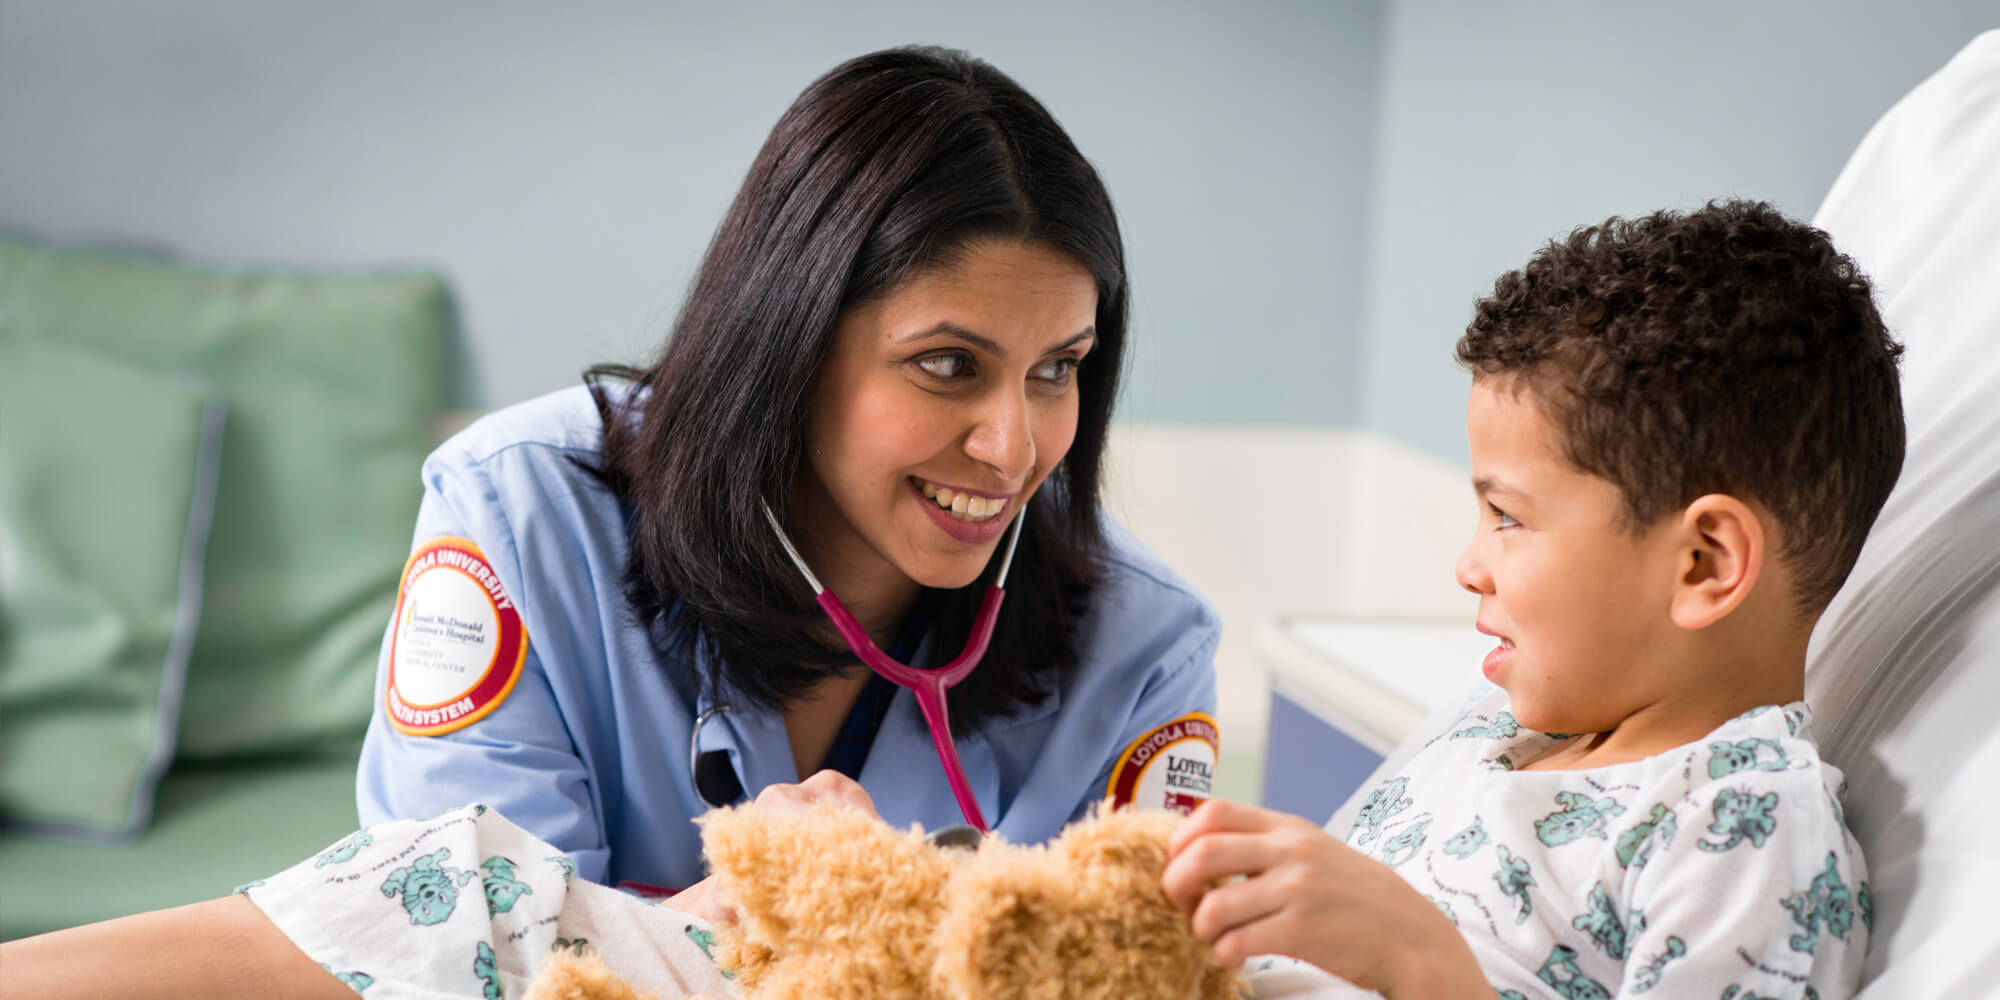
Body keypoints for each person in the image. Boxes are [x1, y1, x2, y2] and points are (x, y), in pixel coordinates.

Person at [0, 44, 1220, 999]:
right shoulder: (521, 512)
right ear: (788, 346)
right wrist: (738, 904)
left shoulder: (1142, 648)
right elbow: (454, 945)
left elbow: (1142, 972)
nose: (1013, 445)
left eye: (1056, 368)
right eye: (948, 366)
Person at [1163, 200, 1902, 998]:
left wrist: (1423, 964)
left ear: (1704, 563)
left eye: (1507, 516)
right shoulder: (1487, 720)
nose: (1468, 566)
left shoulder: (1739, 833)